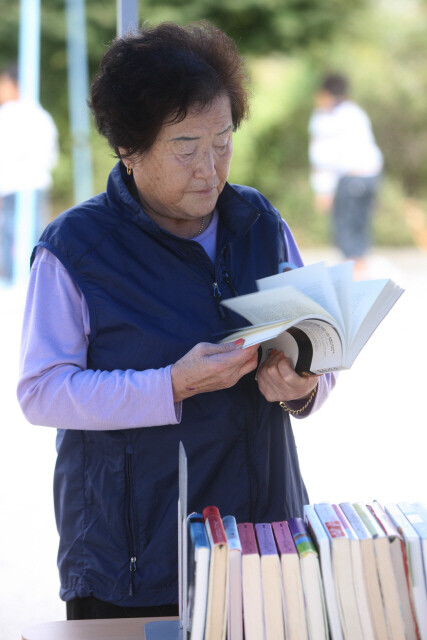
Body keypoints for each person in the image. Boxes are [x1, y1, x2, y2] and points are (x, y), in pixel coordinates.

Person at [17, 22, 336, 620]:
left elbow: (319, 349)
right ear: (129, 150)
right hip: (134, 562)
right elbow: (41, 392)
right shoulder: (76, 249)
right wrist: (170, 385)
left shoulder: (260, 224)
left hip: (263, 548)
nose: (210, 169)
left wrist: (304, 386)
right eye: (186, 146)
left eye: (223, 141)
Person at [308, 73, 383, 278]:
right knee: (361, 225)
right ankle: (361, 271)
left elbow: (322, 158)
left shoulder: (326, 118)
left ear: (326, 94)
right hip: (371, 175)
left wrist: (322, 190)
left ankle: (353, 277)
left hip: (351, 178)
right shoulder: (356, 112)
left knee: (346, 229)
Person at [0, 62, 59, 282]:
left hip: (11, 185)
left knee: (7, 235)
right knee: (35, 234)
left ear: (14, 85)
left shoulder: (6, 114)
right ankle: (35, 281)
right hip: (37, 183)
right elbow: (51, 154)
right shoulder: (42, 115)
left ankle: (9, 284)